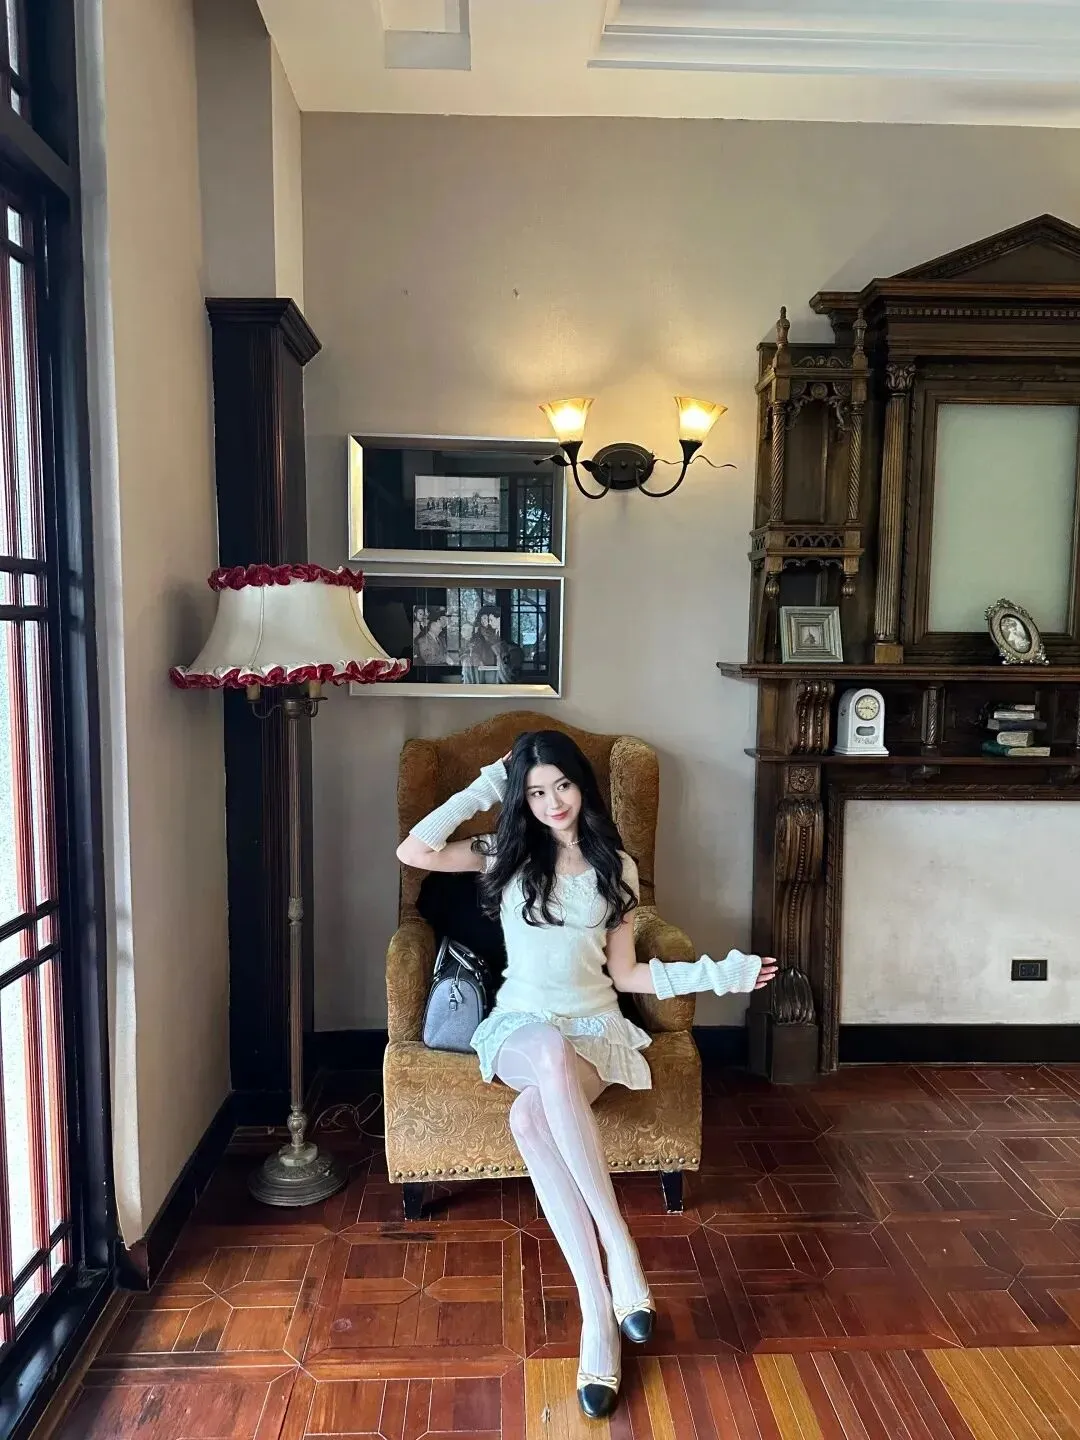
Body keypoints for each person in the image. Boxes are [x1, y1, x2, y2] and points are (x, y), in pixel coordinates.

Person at [396, 730, 778, 1419]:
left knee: (528, 1118)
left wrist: (720, 974)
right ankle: (620, 1248)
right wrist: (490, 783)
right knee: (545, 1050)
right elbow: (414, 851)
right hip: (520, 1027)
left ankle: (597, 1317)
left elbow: (627, 974)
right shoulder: (504, 854)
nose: (552, 803)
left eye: (562, 786)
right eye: (536, 792)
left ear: (582, 785)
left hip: (596, 1032)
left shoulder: (615, 867)